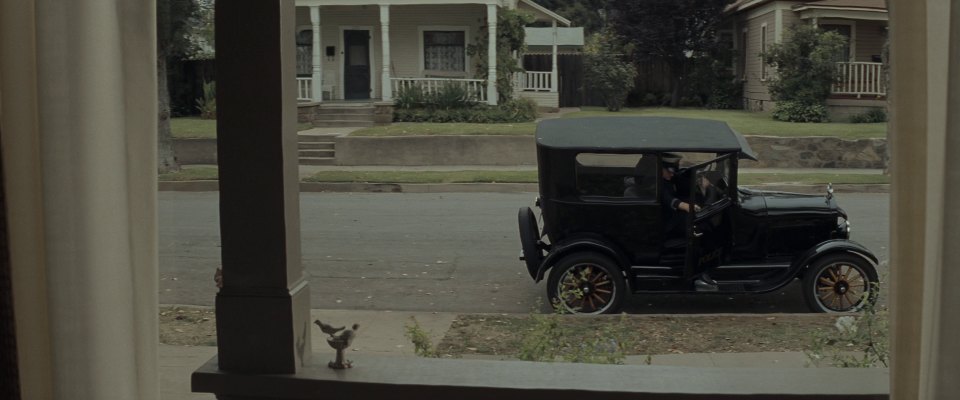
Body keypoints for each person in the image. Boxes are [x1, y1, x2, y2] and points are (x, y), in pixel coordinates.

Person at [660, 154, 718, 292]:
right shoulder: (657, 183)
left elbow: (681, 180)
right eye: (668, 170)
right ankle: (700, 274)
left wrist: (701, 182)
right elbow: (669, 200)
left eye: (673, 170)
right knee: (700, 232)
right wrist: (688, 206)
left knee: (705, 226)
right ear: (660, 169)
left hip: (674, 218)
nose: (671, 173)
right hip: (668, 224)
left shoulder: (669, 178)